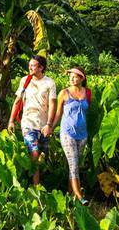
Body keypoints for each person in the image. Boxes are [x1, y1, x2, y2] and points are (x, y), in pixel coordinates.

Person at [7, 54, 57, 186]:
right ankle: (36, 188)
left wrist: (49, 124)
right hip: (28, 122)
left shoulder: (49, 83)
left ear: (41, 67)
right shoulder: (25, 80)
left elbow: (52, 104)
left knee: (41, 156)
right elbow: (17, 101)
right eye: (29, 65)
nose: (30, 67)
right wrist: (11, 121)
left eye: (33, 65)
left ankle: (37, 182)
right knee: (34, 154)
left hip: (43, 125)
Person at [51, 66, 90, 202]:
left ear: (81, 78)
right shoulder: (64, 93)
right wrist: (50, 127)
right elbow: (58, 114)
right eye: (70, 76)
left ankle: (70, 196)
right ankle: (79, 196)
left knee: (75, 166)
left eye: (75, 76)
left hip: (83, 135)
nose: (72, 79)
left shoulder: (88, 93)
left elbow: (88, 113)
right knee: (73, 164)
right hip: (67, 133)